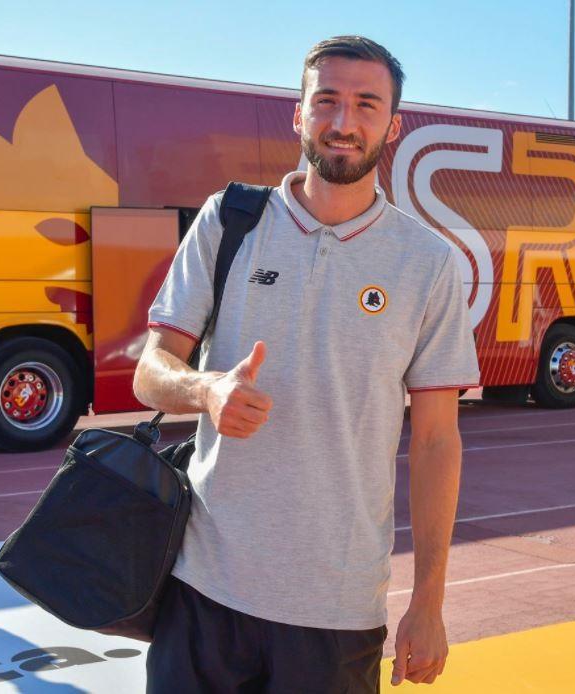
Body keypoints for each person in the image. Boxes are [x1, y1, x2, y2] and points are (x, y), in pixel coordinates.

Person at [134, 35, 480, 693]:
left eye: (365, 105)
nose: (343, 123)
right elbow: (150, 370)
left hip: (335, 612)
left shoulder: (426, 262)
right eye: (326, 101)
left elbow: (437, 440)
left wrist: (428, 602)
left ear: (391, 126)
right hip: (202, 589)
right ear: (297, 114)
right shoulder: (229, 221)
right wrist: (204, 389)